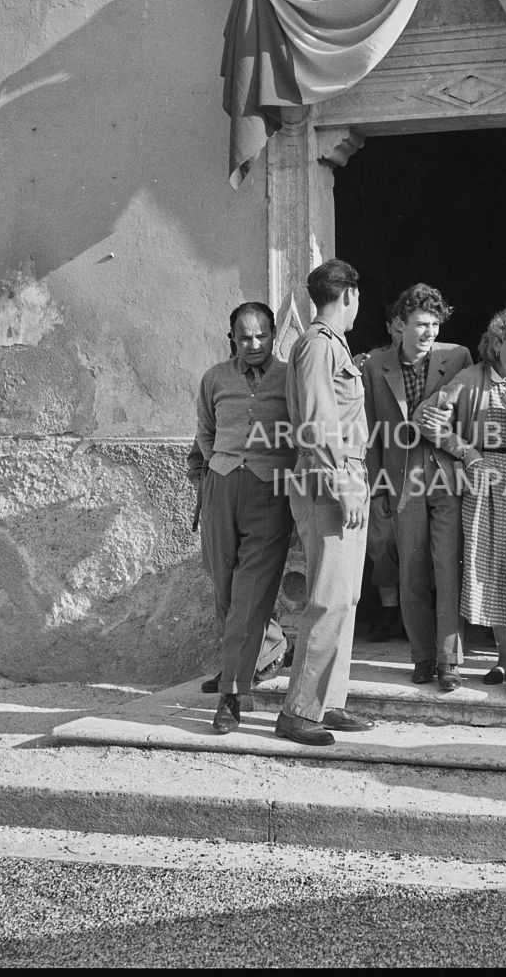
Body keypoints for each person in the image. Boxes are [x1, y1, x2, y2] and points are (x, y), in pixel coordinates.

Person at [419, 309, 506, 700]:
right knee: (494, 567)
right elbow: (425, 418)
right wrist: (464, 450)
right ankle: (504, 657)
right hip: (484, 481)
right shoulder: (469, 378)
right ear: (496, 345)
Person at [276, 258, 374, 747]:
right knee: (328, 597)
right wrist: (344, 483)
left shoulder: (331, 346)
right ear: (349, 296)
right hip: (328, 478)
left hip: (342, 472)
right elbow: (316, 423)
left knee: (345, 598)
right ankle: (298, 711)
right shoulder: (318, 345)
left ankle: (327, 702)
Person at [362, 284, 473, 691]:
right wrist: (377, 490)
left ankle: (450, 660)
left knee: (448, 568)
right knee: (410, 571)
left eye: (435, 324)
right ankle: (422, 656)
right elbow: (371, 433)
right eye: (421, 325)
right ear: (399, 326)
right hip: (401, 480)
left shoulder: (457, 356)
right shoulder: (376, 367)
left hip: (447, 475)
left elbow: (468, 416)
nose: (429, 332)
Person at [195, 302, 298, 734]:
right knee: (225, 588)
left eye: (262, 336)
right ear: (231, 339)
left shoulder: (291, 377)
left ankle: (232, 695)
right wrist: (211, 476)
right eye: (244, 337)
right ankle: (269, 648)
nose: (254, 345)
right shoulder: (216, 377)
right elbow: (204, 431)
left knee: (250, 593)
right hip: (221, 487)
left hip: (270, 493)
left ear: (275, 335)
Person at [362, 309, 405, 641]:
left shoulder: (439, 364)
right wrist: (376, 486)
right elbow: (368, 427)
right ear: (389, 326)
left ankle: (415, 613)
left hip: (422, 474)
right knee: (382, 542)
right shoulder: (373, 365)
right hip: (384, 468)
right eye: (399, 325)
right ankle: (389, 609)